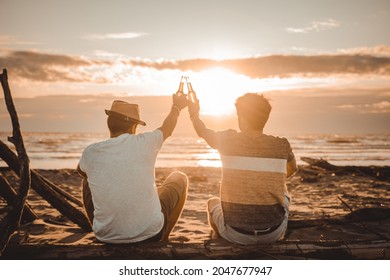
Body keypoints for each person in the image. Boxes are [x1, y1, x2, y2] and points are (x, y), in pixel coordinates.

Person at [77, 94, 189, 244]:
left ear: (109, 123)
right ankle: (164, 238)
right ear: (133, 127)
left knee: (87, 178)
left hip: (105, 237)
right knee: (180, 177)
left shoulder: (91, 152)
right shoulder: (145, 142)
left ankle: (105, 226)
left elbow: (81, 171)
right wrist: (176, 107)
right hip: (151, 234)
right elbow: (167, 127)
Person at [189, 93, 297, 245]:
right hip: (273, 234)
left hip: (236, 234)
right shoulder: (282, 144)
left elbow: (202, 131)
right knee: (285, 195)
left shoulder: (228, 140)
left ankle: (218, 238)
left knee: (212, 202)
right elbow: (292, 169)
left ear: (241, 117)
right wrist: (266, 180)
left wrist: (194, 113)